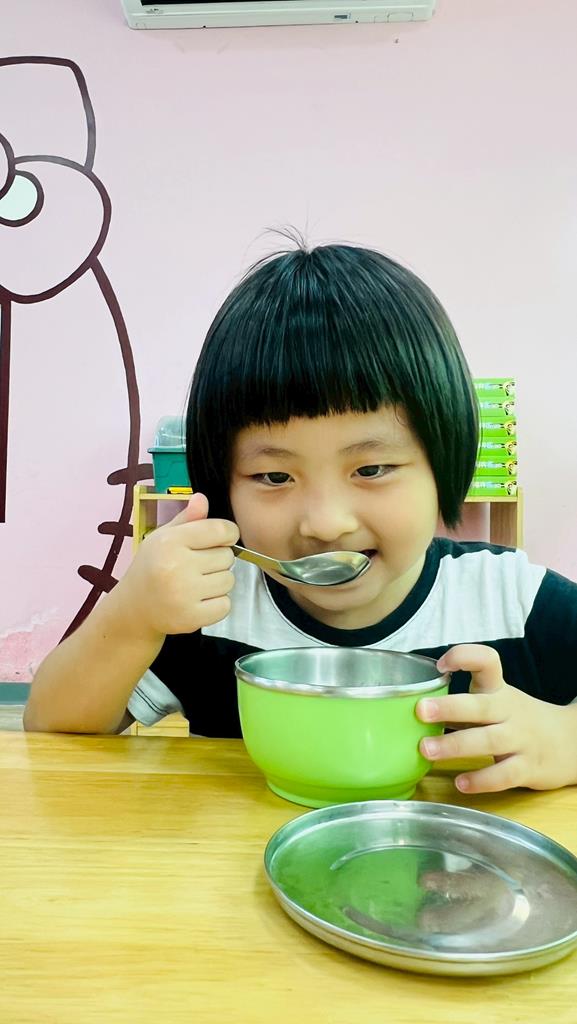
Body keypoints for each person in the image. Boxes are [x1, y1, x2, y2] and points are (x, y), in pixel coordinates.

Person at [25, 240, 577, 795]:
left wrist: (564, 738)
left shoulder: (510, 600)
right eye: (274, 477)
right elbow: (52, 729)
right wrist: (132, 614)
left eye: (372, 469)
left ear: (444, 463)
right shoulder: (210, 609)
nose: (326, 523)